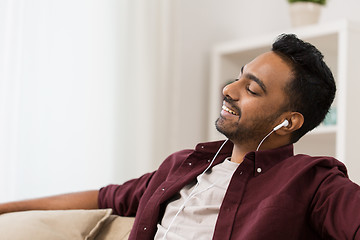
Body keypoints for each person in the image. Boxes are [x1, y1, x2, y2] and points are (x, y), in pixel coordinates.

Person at [1, 34, 359, 239]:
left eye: (252, 88)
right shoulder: (184, 165)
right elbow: (105, 196)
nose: (229, 90)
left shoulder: (313, 182)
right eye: (238, 76)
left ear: (289, 121)